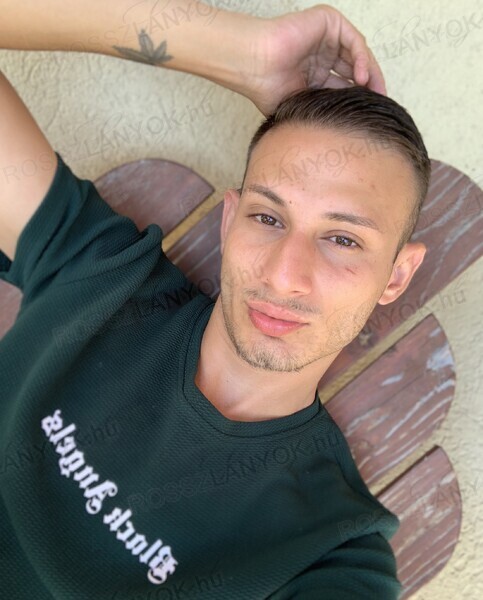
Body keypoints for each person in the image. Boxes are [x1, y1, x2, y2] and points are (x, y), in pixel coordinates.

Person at [0, 1, 428, 598]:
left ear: (396, 276)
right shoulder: (99, 274)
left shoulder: (324, 554)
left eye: (342, 239)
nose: (284, 276)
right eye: (267, 217)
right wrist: (243, 53)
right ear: (230, 221)